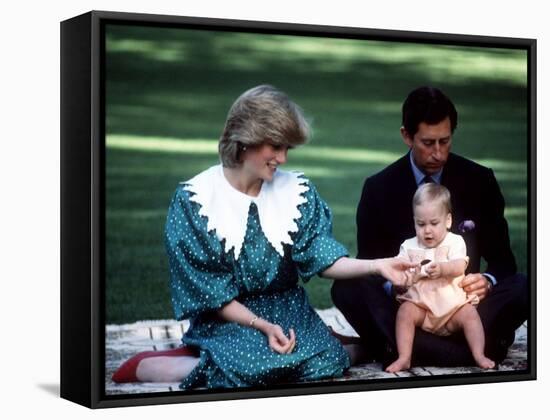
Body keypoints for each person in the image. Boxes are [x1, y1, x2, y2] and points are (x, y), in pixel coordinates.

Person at [112, 85, 414, 389]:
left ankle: (320, 344)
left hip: (287, 308)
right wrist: (263, 326)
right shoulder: (196, 201)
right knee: (254, 368)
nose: (282, 158)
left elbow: (322, 257)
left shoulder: (296, 193)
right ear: (246, 141)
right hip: (227, 317)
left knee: (328, 363)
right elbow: (211, 295)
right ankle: (173, 363)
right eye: (275, 147)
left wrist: (378, 265)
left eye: (287, 148)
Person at [331, 86, 528, 368]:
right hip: (409, 308)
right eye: (428, 143)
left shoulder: (480, 180)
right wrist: (394, 287)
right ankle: (472, 350)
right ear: (407, 136)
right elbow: (370, 263)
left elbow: (504, 261)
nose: (438, 153)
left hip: (463, 308)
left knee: (523, 286)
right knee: (346, 288)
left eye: (445, 142)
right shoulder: (378, 188)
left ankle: (396, 348)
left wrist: (487, 281)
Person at [386, 183, 494, 373]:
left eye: (434, 223)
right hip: (423, 309)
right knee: (405, 312)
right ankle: (404, 357)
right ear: (414, 222)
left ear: (448, 220)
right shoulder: (409, 246)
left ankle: (479, 354)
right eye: (421, 224)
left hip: (452, 309)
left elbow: (460, 265)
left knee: (470, 314)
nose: (427, 230)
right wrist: (404, 276)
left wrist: (444, 268)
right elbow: (399, 267)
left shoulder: (454, 241)